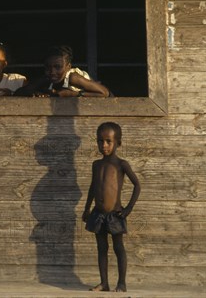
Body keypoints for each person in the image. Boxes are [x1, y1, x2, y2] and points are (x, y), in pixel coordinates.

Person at [82, 122, 141, 292]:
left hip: (115, 214)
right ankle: (104, 283)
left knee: (118, 247)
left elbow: (137, 185)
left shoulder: (121, 164)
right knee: (101, 248)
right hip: (98, 213)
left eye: (108, 141)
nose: (104, 145)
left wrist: (128, 209)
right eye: (100, 141)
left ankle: (121, 283)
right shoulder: (96, 164)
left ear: (118, 143)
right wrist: (87, 208)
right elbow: (93, 187)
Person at [14, 45, 110, 97]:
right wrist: (35, 93)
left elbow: (104, 93)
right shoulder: (46, 78)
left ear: (68, 67)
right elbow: (18, 93)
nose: (52, 71)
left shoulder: (73, 77)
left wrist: (73, 94)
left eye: (58, 67)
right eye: (48, 67)